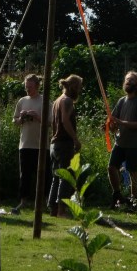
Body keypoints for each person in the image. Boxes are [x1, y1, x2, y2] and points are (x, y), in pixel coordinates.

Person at [107, 71, 137, 210]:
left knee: (132, 171)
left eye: (131, 80)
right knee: (111, 167)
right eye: (126, 80)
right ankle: (117, 194)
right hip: (120, 142)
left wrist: (121, 122)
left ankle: (134, 202)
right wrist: (110, 126)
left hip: (134, 144)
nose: (127, 82)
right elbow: (114, 121)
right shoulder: (121, 101)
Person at [11, 73, 48, 214]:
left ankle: (44, 201)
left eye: (30, 87)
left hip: (41, 145)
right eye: (26, 87)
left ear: (37, 86)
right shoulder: (22, 101)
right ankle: (23, 201)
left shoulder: (45, 101)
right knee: (25, 174)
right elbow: (14, 120)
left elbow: (51, 122)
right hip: (25, 144)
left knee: (43, 175)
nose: (28, 90)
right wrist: (21, 118)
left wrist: (37, 117)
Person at [46, 74, 83, 218]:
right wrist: (75, 139)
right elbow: (65, 121)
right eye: (78, 87)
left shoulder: (57, 100)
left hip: (54, 144)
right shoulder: (67, 101)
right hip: (64, 143)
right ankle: (61, 210)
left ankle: (53, 208)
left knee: (56, 177)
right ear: (73, 86)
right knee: (66, 177)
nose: (79, 91)